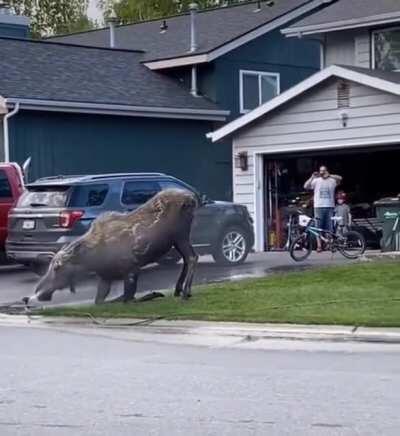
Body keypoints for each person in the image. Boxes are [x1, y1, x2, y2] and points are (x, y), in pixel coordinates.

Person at [304, 166, 342, 252]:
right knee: (318, 227)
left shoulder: (332, 180)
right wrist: (312, 177)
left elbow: (340, 178)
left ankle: (330, 244)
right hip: (318, 206)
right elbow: (306, 186)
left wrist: (330, 175)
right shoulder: (316, 180)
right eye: (320, 171)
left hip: (329, 206)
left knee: (329, 227)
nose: (322, 172)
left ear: (327, 171)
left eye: (324, 171)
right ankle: (319, 246)